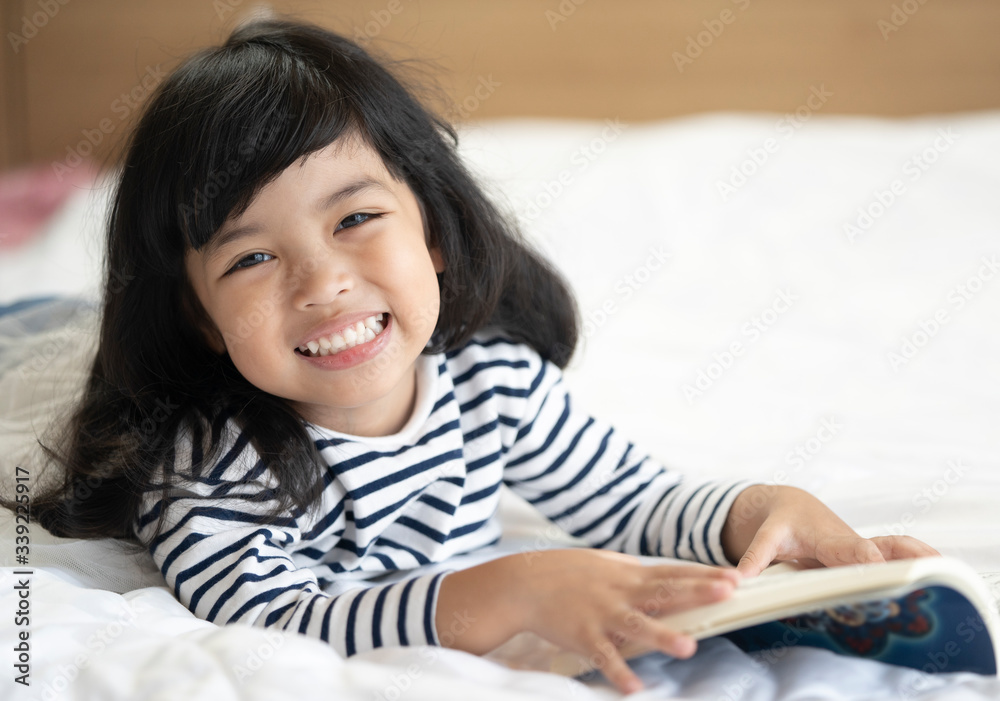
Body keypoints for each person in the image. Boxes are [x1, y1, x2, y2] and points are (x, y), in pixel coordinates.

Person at [16, 18, 938, 694]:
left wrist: (757, 510)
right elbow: (273, 618)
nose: (322, 281)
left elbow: (632, 499)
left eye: (357, 218)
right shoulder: (212, 463)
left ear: (437, 239)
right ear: (203, 318)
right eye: (251, 256)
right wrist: (510, 590)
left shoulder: (491, 383)